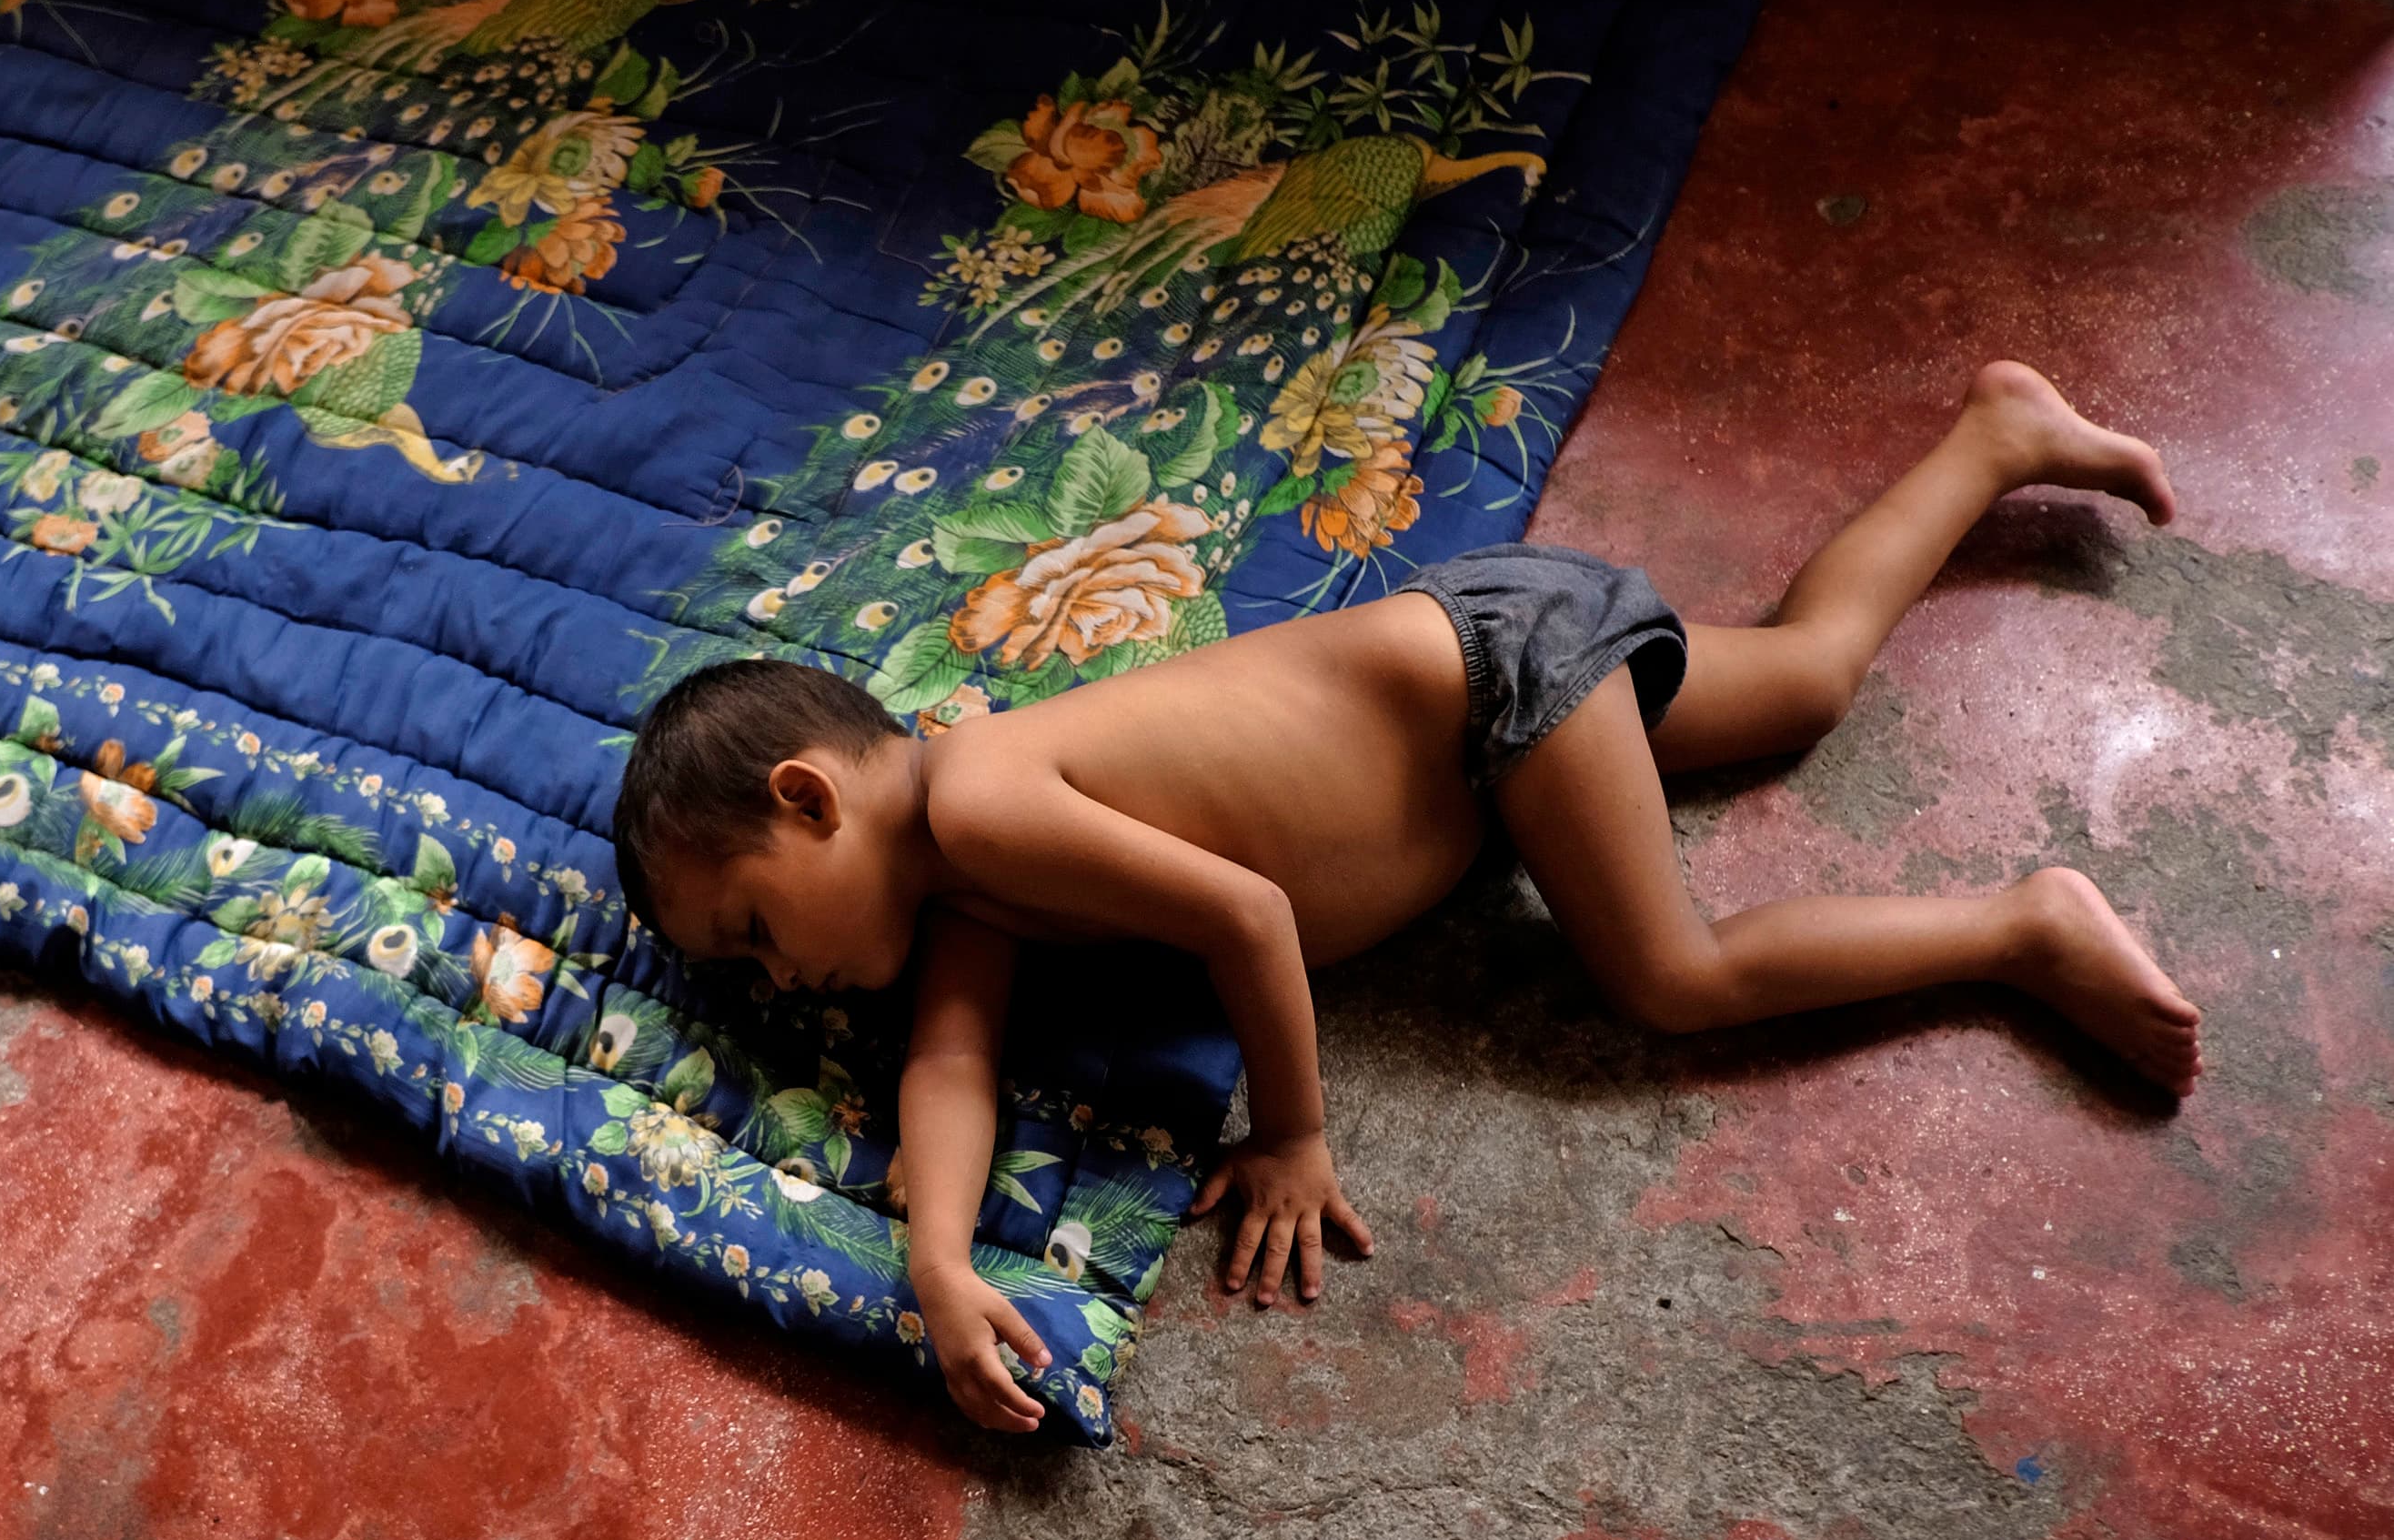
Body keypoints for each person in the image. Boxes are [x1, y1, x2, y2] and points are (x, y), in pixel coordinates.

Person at [613, 362, 2199, 1433]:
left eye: (754, 931)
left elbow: (1248, 915)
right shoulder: (963, 892)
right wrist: (939, 1263)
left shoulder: (978, 795)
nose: (784, 985)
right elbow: (945, 1069)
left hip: (1496, 688)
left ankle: (2020, 925)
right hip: (1492, 708)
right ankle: (1998, 431)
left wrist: (1291, 1130)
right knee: (1807, 679)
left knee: (1673, 979)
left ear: (810, 798)